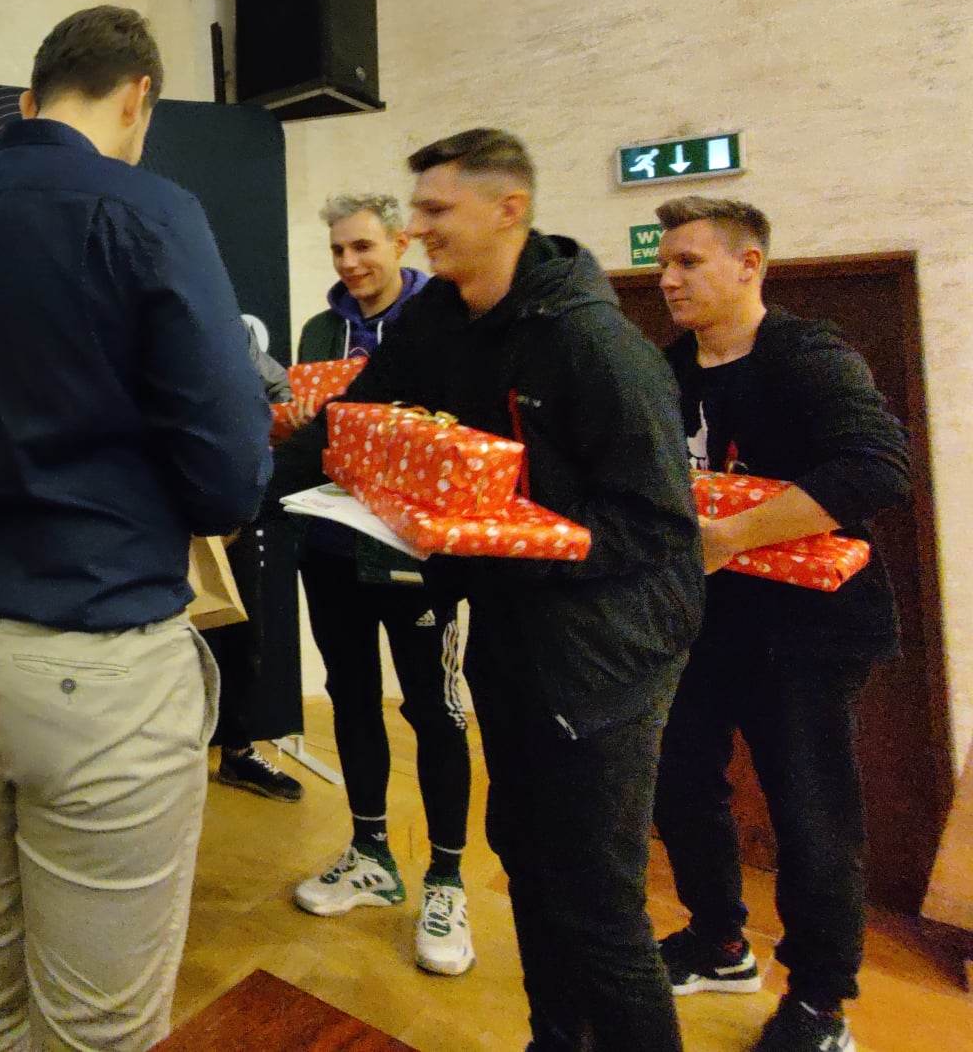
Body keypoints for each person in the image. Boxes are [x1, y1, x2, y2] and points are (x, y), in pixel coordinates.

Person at [0, 5, 272, 1050]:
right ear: (139, 98)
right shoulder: (150, 213)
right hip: (91, 668)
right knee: (97, 1024)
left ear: (29, 100)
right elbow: (230, 478)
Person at [268, 129, 705, 1052]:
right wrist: (238, 490)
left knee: (598, 906)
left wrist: (517, 536)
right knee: (528, 864)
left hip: (607, 657)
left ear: (510, 210)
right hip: (511, 633)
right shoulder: (440, 319)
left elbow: (660, 525)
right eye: (416, 209)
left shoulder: (595, 345)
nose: (418, 228)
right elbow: (353, 420)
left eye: (436, 210)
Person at [650, 198, 910, 1052]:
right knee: (680, 782)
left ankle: (820, 1005)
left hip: (807, 633)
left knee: (809, 814)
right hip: (701, 622)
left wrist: (729, 537)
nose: (668, 278)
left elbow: (877, 466)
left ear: (750, 264)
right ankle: (718, 943)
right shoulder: (668, 368)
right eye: (663, 262)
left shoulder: (808, 356)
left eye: (688, 262)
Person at [286, 193, 475, 979]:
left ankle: (447, 881)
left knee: (433, 708)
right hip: (330, 545)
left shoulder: (449, 321)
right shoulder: (318, 331)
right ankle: (370, 854)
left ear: (400, 242)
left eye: (363, 246)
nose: (349, 263)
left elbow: (469, 433)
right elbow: (311, 433)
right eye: (338, 250)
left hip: (417, 554)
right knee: (351, 696)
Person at [208, 316, 307, 805]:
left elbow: (280, 391)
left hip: (234, 512)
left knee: (244, 637)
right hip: (156, 517)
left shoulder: (230, 328)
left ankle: (237, 751)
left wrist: (274, 420)